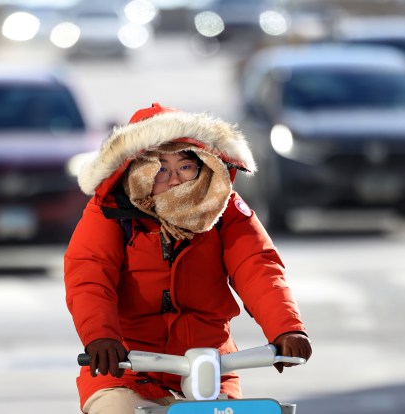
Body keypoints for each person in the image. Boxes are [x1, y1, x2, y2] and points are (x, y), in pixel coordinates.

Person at [64, 103, 312, 414]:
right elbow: (89, 276)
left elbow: (257, 266)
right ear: (137, 170)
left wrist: (287, 328)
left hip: (209, 368)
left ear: (204, 165)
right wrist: (100, 337)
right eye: (160, 168)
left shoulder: (223, 209)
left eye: (185, 166)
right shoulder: (110, 212)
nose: (174, 179)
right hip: (128, 368)